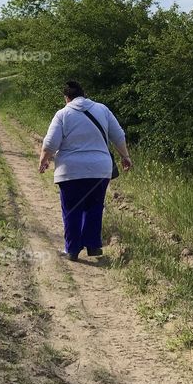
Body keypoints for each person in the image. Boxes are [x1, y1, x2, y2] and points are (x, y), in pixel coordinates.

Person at [38, 81, 133, 261]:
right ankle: (93, 245)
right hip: (99, 169)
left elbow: (51, 143)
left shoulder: (63, 114)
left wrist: (44, 160)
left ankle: (72, 249)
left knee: (72, 208)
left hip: (70, 171)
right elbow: (118, 135)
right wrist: (125, 156)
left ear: (66, 98)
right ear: (84, 93)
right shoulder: (102, 109)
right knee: (94, 206)